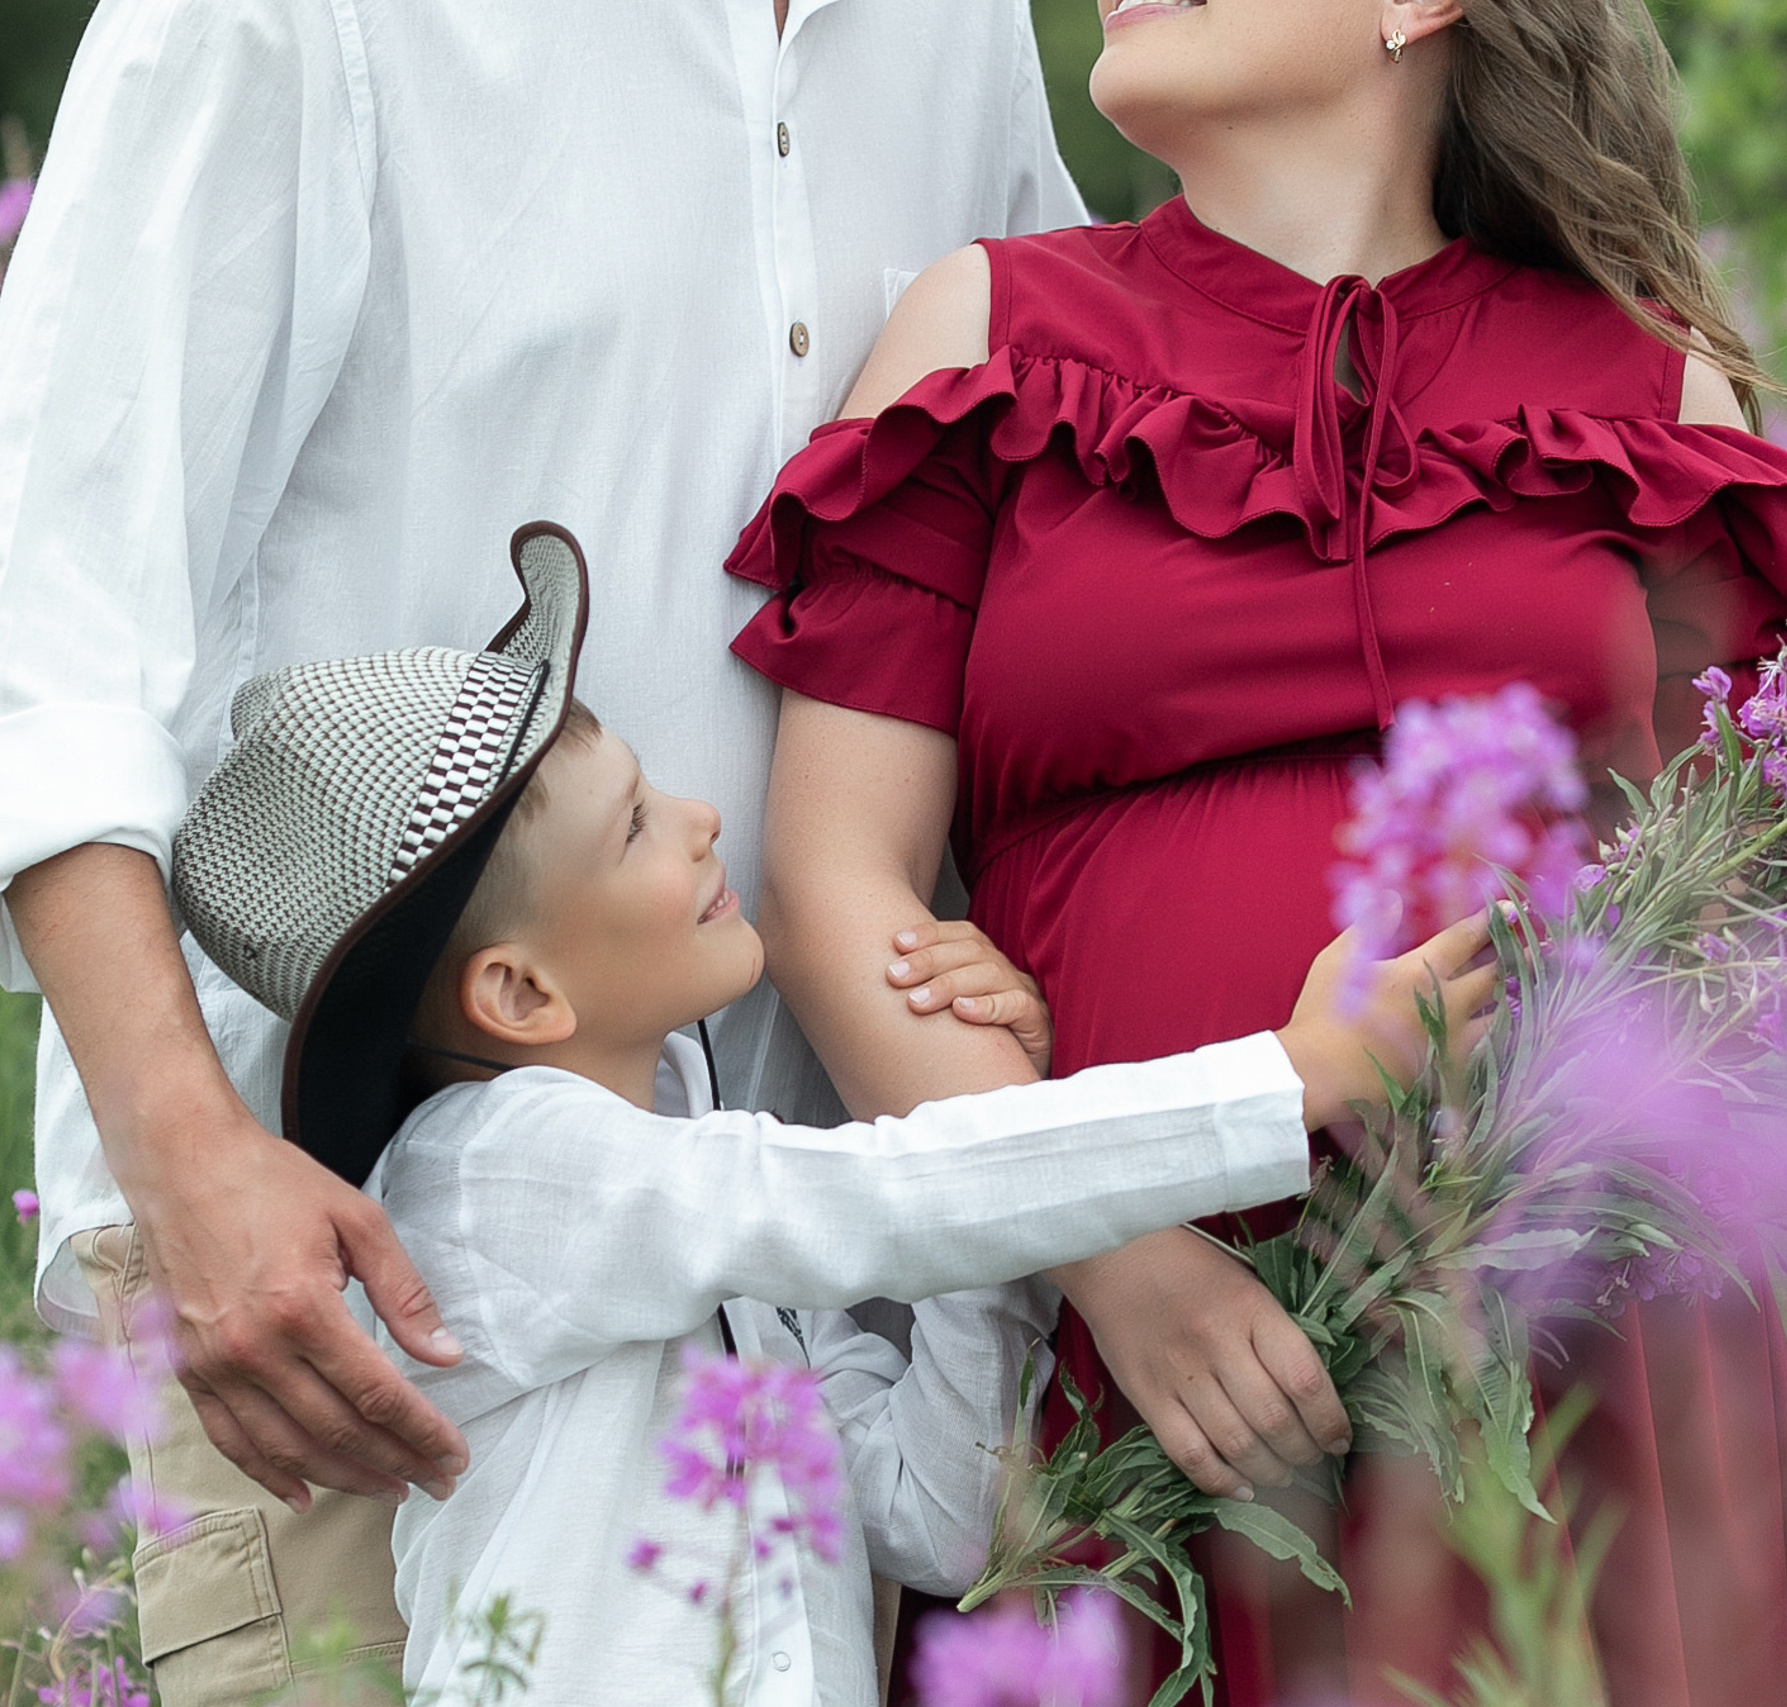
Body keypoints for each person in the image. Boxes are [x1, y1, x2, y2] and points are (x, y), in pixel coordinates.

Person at [727, 0, 1787, 1702]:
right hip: (1155, 1364)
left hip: (1572, 1330)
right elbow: (833, 896)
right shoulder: (985, 329)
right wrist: (1116, 1262)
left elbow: (1708, 870)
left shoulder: (1645, 379)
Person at [0, 0, 1086, 1694]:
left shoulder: (954, 22)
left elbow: (1037, 511)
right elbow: (49, 618)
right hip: (367, 1312)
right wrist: (189, 1158)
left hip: (807, 1320)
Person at [161, 524, 1499, 1703]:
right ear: (518, 991)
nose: (697, 823)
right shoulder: (495, 1178)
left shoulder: (689, 1200)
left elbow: (940, 1517)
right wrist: (1293, 1073)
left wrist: (993, 1134)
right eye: (633, 827)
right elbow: (880, 1202)